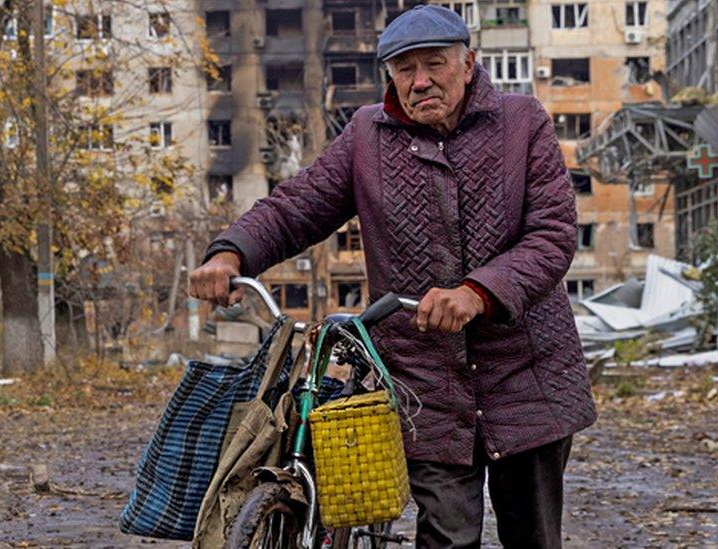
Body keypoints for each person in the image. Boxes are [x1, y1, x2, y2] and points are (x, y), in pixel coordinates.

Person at [188, 5, 597, 548]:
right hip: (426, 384)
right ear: (390, 76)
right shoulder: (366, 137)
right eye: (405, 69)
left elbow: (552, 235)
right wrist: (231, 253)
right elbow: (297, 207)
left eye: (435, 64)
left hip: (526, 374)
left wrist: (479, 292)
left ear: (469, 63)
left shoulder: (524, 122)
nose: (420, 81)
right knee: (446, 538)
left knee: (534, 535)